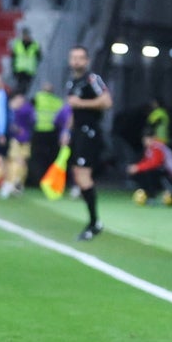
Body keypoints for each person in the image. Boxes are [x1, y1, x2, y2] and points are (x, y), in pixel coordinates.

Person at [64, 45, 112, 240]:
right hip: (78, 132)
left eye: (80, 58)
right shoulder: (72, 82)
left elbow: (107, 101)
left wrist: (81, 103)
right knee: (78, 173)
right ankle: (93, 220)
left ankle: (94, 222)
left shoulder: (92, 79)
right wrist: (68, 130)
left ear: (87, 61)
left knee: (83, 175)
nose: (76, 61)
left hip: (89, 132)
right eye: (73, 57)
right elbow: (74, 111)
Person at [127, 127, 172, 206]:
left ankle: (152, 196)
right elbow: (146, 161)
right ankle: (148, 194)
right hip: (162, 171)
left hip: (170, 174)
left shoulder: (158, 146)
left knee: (149, 172)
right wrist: (136, 167)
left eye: (147, 139)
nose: (145, 142)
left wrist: (137, 168)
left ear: (153, 138)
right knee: (142, 172)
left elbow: (154, 163)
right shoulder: (150, 148)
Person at [0, 90, 35, 197]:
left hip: (23, 139)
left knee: (21, 162)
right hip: (14, 139)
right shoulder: (12, 108)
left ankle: (16, 183)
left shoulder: (26, 109)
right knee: (14, 161)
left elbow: (32, 122)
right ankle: (11, 183)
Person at [30, 81, 65, 182]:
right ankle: (48, 179)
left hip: (40, 131)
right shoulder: (57, 101)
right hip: (51, 132)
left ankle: (38, 179)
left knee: (38, 157)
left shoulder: (37, 97)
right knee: (50, 157)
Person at [8, 26, 41, 96]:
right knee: (20, 88)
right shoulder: (17, 44)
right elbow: (13, 58)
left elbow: (39, 58)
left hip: (30, 71)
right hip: (19, 71)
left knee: (27, 89)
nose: (25, 36)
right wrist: (13, 69)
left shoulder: (36, 45)